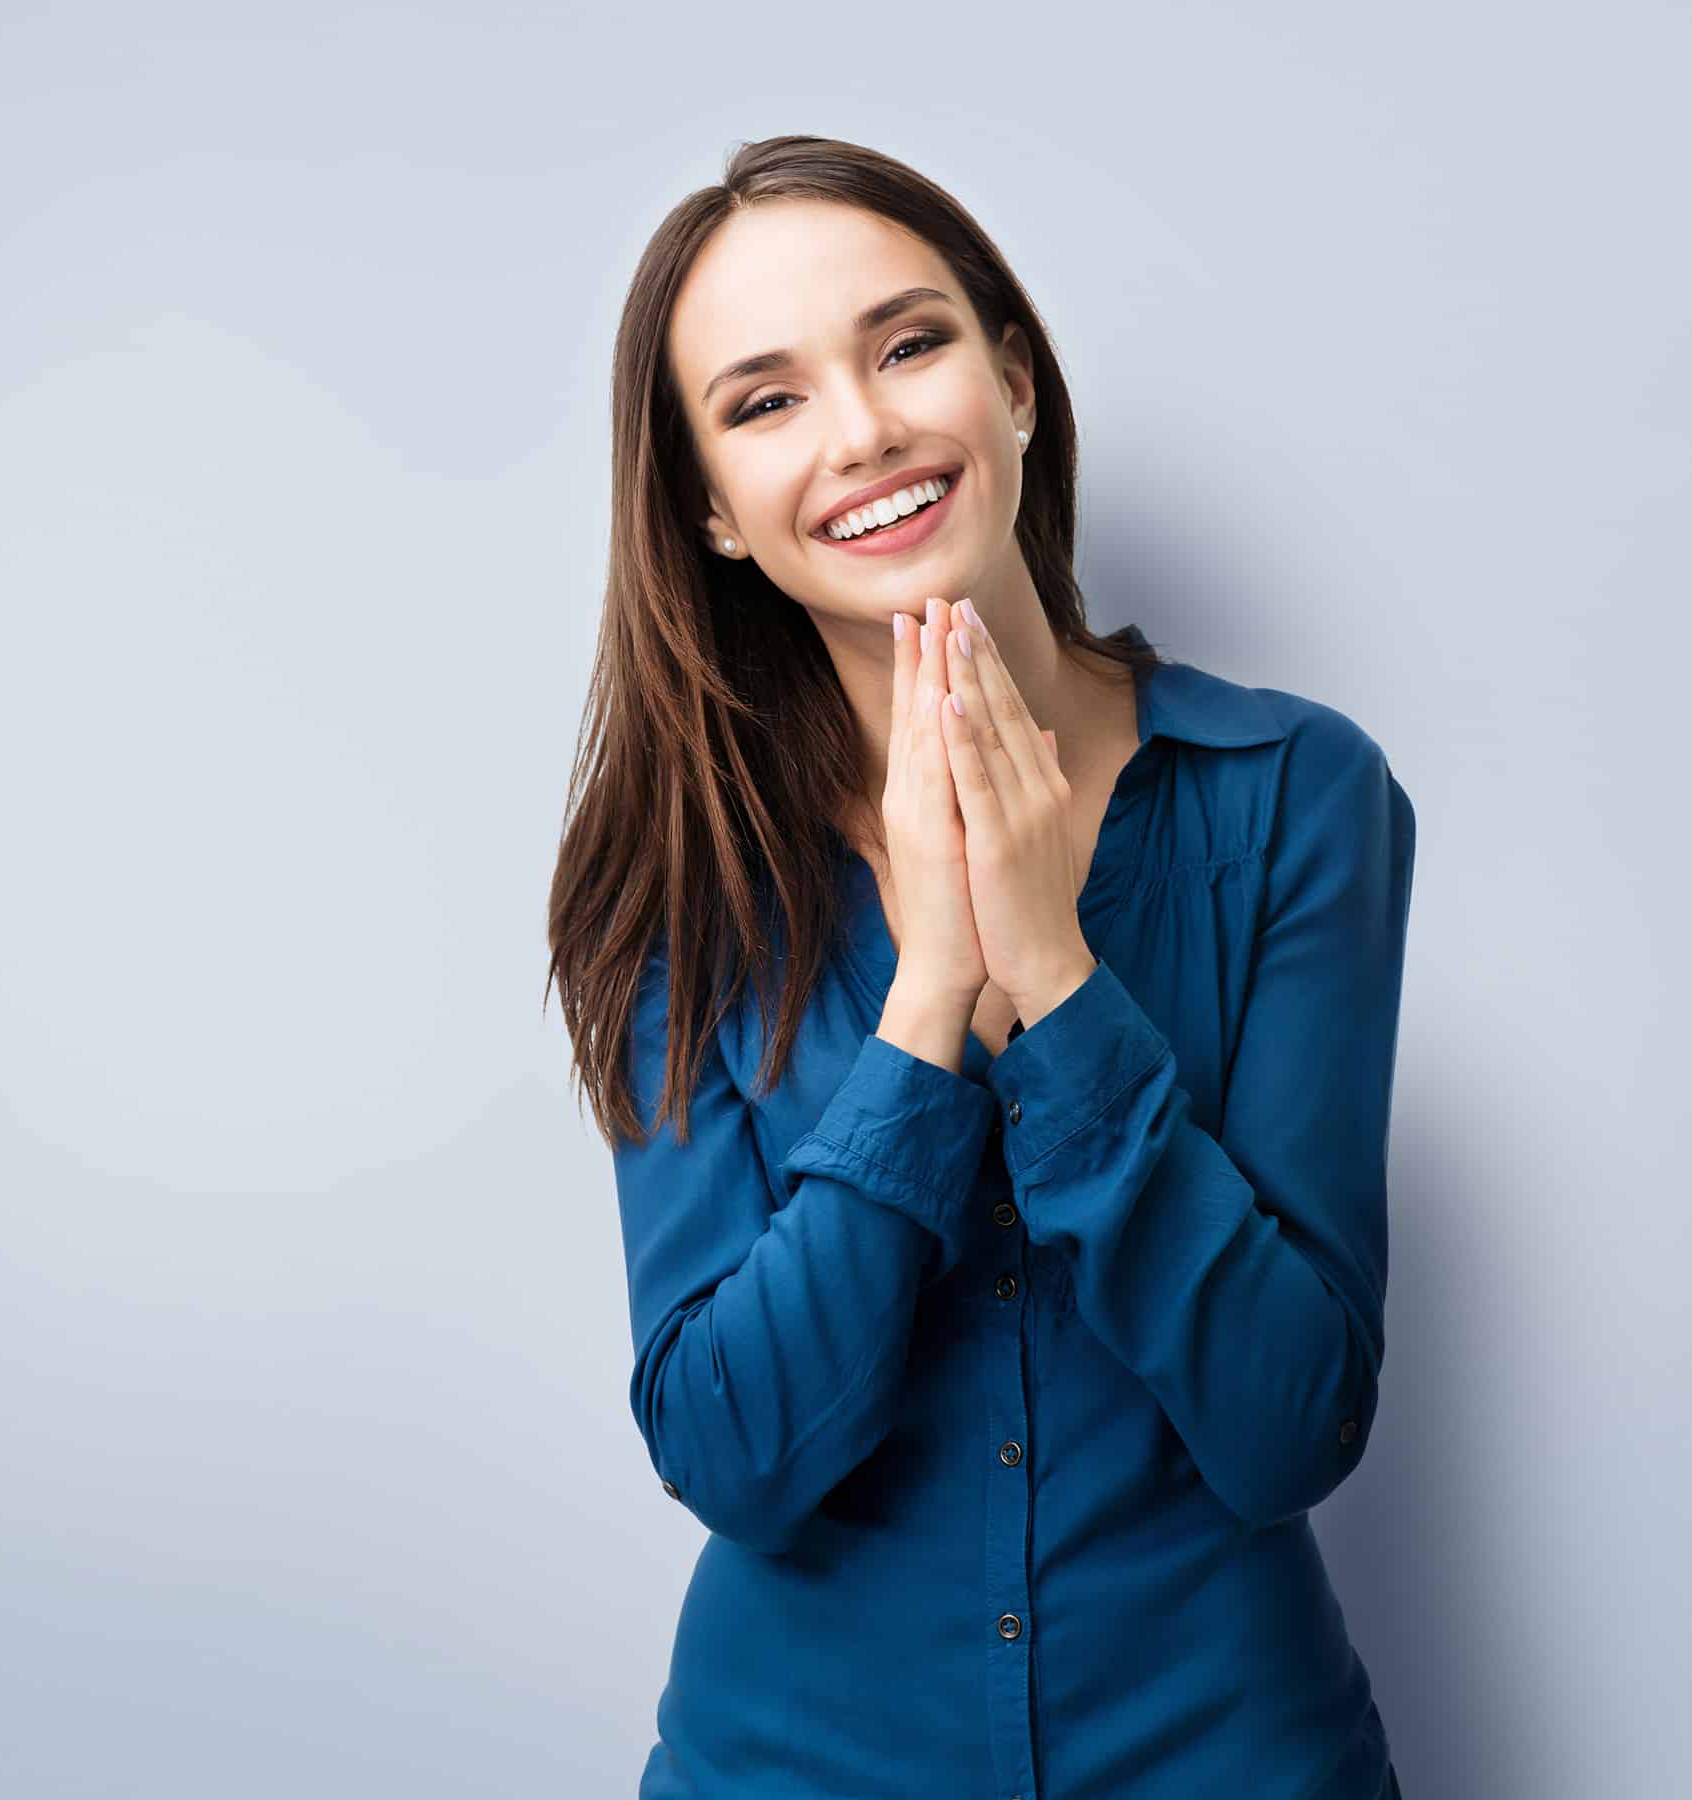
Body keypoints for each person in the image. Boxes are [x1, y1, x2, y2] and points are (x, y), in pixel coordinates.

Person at [544, 136, 1416, 1799]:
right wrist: (931, 998)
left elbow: (1290, 1422)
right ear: (714, 516)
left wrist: (1059, 977)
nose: (863, 431)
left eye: (907, 345)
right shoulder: (674, 884)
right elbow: (736, 1452)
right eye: (765, 401)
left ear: (1012, 380)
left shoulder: (1299, 797)